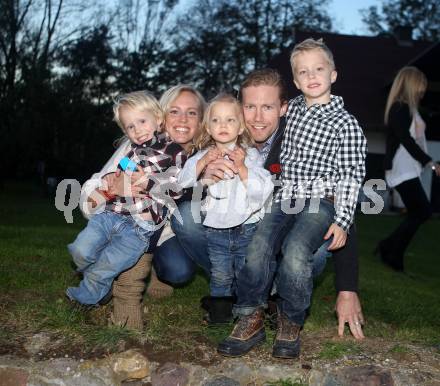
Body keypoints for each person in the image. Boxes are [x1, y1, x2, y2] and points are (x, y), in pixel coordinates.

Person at [172, 68, 364, 341]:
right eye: (250, 106)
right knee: (184, 217)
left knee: (318, 245)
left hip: (275, 236)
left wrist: (347, 288)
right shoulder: (217, 137)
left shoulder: (299, 145)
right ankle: (233, 291)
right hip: (229, 234)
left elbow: (339, 198)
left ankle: (277, 293)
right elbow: (179, 185)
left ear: (284, 108)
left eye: (268, 107)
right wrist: (203, 178)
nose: (258, 117)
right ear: (239, 107)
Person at [217, 39, 367, 358]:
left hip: (320, 201)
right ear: (297, 82)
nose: (312, 76)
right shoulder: (294, 110)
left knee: (297, 250)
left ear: (334, 74)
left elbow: (353, 176)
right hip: (286, 196)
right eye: (303, 72)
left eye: (319, 69)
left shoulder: (347, 125)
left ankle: (291, 318)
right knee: (259, 245)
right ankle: (251, 315)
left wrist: (342, 221)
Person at [80, 85, 206, 329]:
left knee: (178, 270)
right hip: (128, 224)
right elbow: (89, 197)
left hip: (166, 234)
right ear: (160, 117)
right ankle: (104, 278)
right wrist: (111, 190)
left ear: (201, 120)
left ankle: (155, 271)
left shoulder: (205, 156)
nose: (182, 120)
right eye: (174, 111)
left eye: (191, 113)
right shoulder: (136, 146)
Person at [67, 91, 186, 306]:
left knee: (110, 264)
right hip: (111, 215)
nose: (137, 129)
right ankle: (94, 275)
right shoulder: (129, 152)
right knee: (79, 250)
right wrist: (111, 183)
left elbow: (175, 191)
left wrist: (147, 182)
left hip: (140, 228)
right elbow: (115, 176)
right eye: (130, 126)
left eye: (142, 121)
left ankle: (88, 294)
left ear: (158, 119)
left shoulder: (174, 152)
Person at [178, 94, 273, 323]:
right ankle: (220, 315)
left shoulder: (249, 154)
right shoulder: (203, 155)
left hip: (247, 226)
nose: (223, 125)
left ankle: (247, 315)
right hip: (216, 228)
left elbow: (264, 187)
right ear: (208, 128)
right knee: (220, 273)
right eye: (216, 120)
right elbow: (182, 181)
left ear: (240, 127)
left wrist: (241, 167)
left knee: (245, 272)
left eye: (230, 120)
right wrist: (203, 164)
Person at [377, 67, 440, 272]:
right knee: (422, 211)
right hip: (401, 168)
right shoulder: (399, 108)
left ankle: (389, 248)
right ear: (411, 84)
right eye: (420, 86)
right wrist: (429, 161)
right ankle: (391, 251)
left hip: (410, 168)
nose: (423, 90)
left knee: (419, 212)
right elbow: (406, 139)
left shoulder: (410, 109)